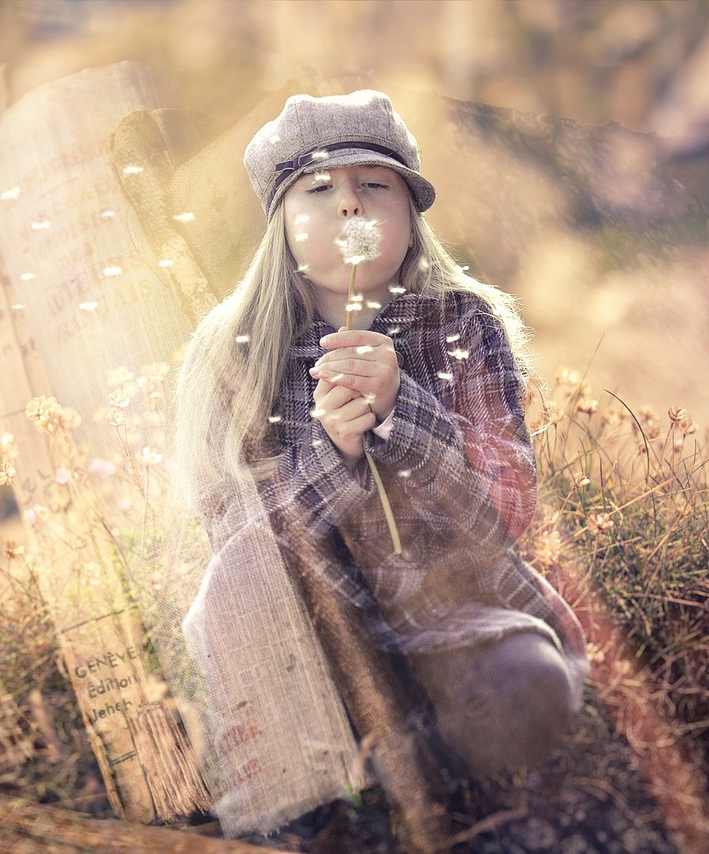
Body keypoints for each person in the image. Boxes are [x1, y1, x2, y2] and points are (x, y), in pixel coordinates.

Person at [170, 89, 589, 823]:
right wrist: (332, 452)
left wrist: (407, 411)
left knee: (527, 688)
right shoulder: (235, 347)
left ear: (410, 213)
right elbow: (235, 542)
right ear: (280, 221)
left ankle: (408, 759)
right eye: (318, 189)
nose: (350, 207)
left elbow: (509, 509)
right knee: (245, 587)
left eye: (375, 186)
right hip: (313, 621)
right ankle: (339, 777)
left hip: (453, 602)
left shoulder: (462, 321)